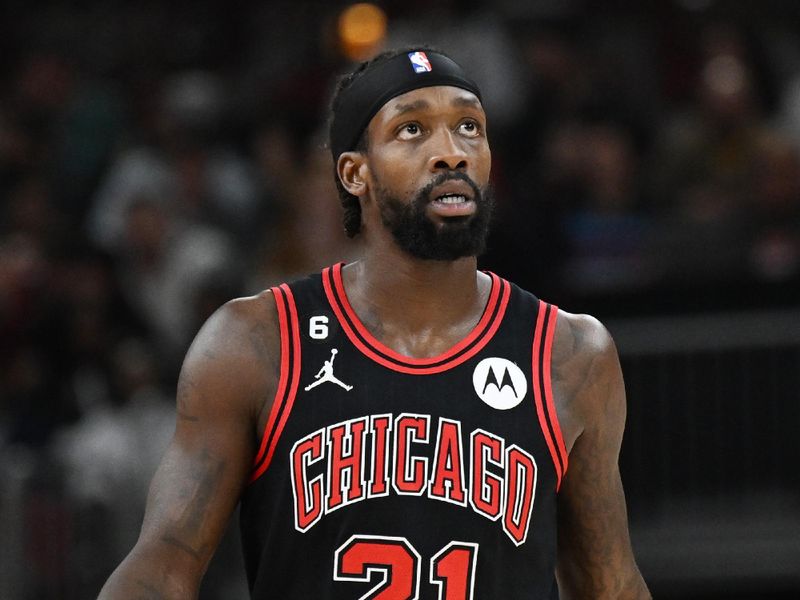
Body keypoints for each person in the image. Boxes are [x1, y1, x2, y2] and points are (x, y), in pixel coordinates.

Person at [98, 47, 651, 599]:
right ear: (354, 173)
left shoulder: (569, 353)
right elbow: (163, 565)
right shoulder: (256, 342)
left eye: (468, 127)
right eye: (413, 130)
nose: (451, 153)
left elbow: (611, 585)